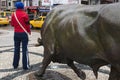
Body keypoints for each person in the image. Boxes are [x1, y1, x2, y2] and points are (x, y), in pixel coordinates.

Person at [11, 2, 31, 70]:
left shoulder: (13, 14)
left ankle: (15, 65)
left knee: (16, 49)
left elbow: (12, 24)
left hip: (16, 34)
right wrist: (29, 31)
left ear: (16, 7)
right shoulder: (25, 14)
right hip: (23, 34)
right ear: (22, 7)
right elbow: (28, 25)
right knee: (25, 50)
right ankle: (25, 66)